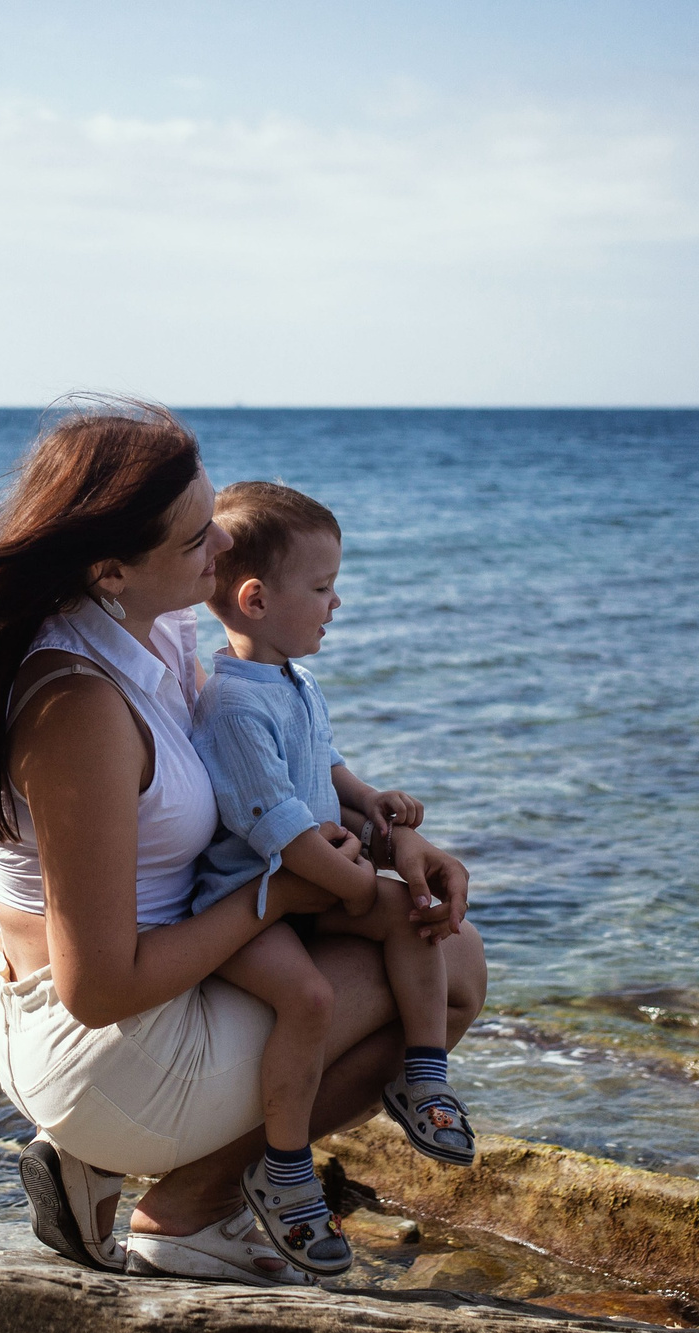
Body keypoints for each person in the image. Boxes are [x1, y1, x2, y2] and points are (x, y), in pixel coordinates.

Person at [0, 398, 485, 1285]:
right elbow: (99, 987)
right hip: (108, 1044)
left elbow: (265, 763)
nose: (221, 549)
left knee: (433, 932)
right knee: (445, 968)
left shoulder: (157, 628)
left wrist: (397, 839)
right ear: (110, 570)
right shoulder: (79, 706)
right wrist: (279, 897)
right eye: (196, 541)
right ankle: (184, 1209)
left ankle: (115, 1176)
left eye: (214, 521)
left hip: (169, 989)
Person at [187, 481, 477, 1277]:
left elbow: (322, 764)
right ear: (253, 599)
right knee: (309, 999)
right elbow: (275, 823)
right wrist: (356, 890)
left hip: (312, 885)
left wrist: (369, 800)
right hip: (248, 905)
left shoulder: (291, 679)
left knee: (413, 913)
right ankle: (283, 1171)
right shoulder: (232, 705)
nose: (337, 602)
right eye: (321, 589)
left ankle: (423, 1075)